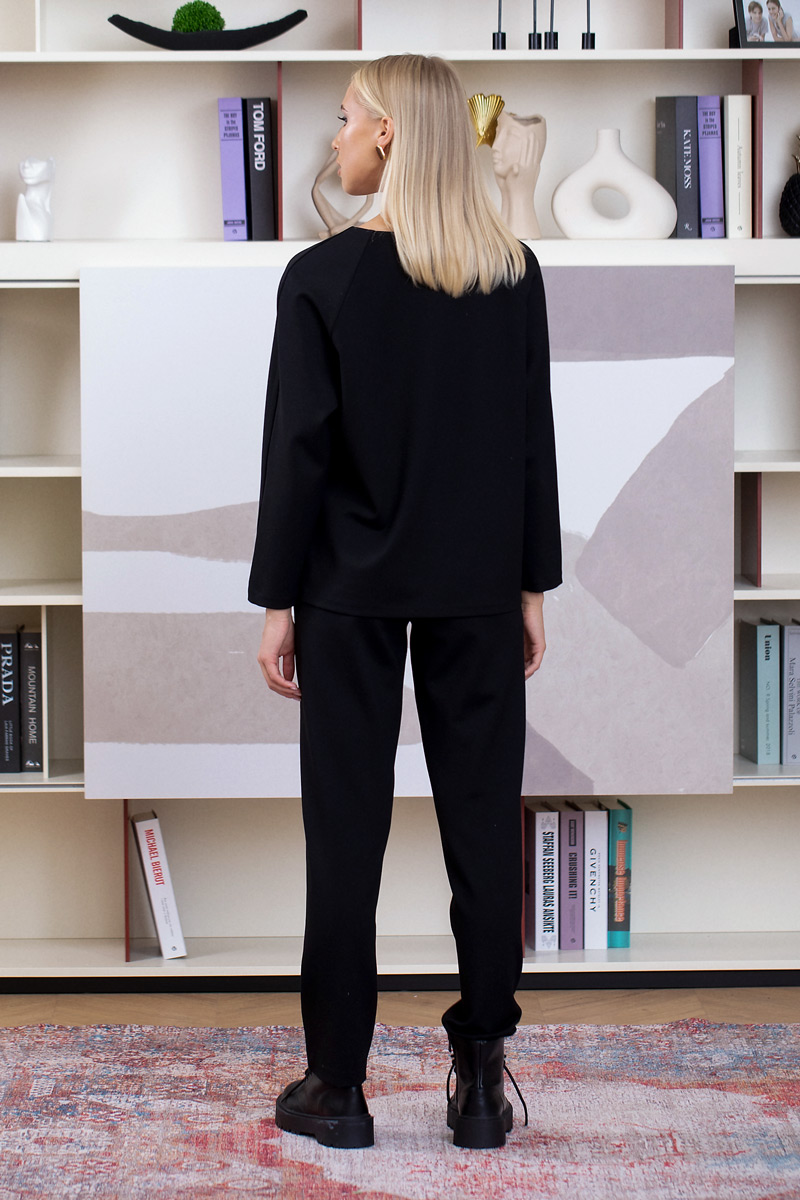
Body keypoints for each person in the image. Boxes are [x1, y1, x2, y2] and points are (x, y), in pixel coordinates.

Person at [248, 53, 562, 1151]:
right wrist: (530, 586)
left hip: (348, 594)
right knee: (482, 829)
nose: (332, 137)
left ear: (385, 135)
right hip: (477, 589)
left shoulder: (322, 277)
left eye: (344, 117)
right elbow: (530, 443)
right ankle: (478, 1086)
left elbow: (297, 454)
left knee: (345, 837)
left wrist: (278, 602)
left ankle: (336, 1088)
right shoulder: (511, 273)